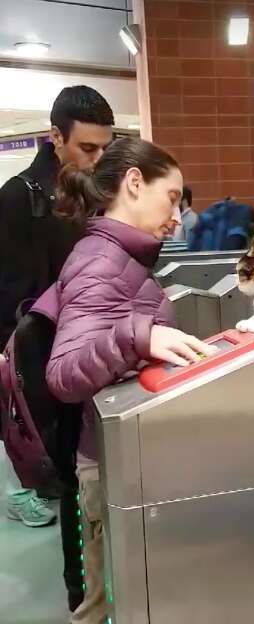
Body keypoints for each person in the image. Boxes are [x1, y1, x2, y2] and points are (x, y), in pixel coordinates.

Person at [46, 137, 217, 623]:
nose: (178, 216)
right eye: (172, 198)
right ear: (135, 183)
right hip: (104, 466)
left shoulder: (120, 258)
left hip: (118, 459)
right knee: (105, 605)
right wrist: (137, 335)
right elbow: (63, 373)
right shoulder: (100, 262)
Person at [0, 85, 114, 612]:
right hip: (47, 362)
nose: (97, 157)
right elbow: (11, 299)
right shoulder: (19, 197)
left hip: (92, 356)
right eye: (88, 147)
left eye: (103, 147)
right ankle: (80, 598)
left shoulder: (90, 190)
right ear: (55, 137)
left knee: (86, 479)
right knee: (70, 482)